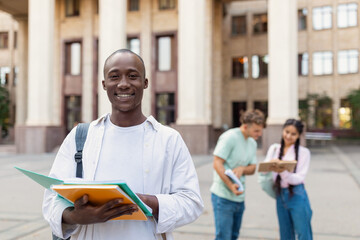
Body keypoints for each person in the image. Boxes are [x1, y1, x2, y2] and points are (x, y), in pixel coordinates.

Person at [43, 49, 204, 240]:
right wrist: (73, 216)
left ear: (145, 83)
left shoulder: (168, 139)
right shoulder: (81, 136)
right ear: (104, 84)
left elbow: (191, 202)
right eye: (114, 77)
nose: (124, 84)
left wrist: (146, 202)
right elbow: (52, 198)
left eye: (133, 76)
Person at [210, 109, 265, 240]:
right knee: (223, 237)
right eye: (256, 131)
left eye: (260, 130)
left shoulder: (252, 142)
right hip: (223, 197)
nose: (260, 134)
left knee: (234, 236)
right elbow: (217, 163)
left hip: (240, 198)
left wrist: (242, 169)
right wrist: (230, 185)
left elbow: (252, 168)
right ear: (245, 126)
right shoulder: (229, 137)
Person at [264, 119, 312, 240]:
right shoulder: (274, 149)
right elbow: (264, 171)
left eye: (293, 134)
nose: (289, 136)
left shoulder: (304, 153)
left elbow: (299, 178)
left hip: (297, 194)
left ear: (298, 136)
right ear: (282, 131)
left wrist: (282, 170)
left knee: (303, 233)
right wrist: (271, 163)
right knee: (285, 234)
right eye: (287, 132)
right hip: (280, 195)